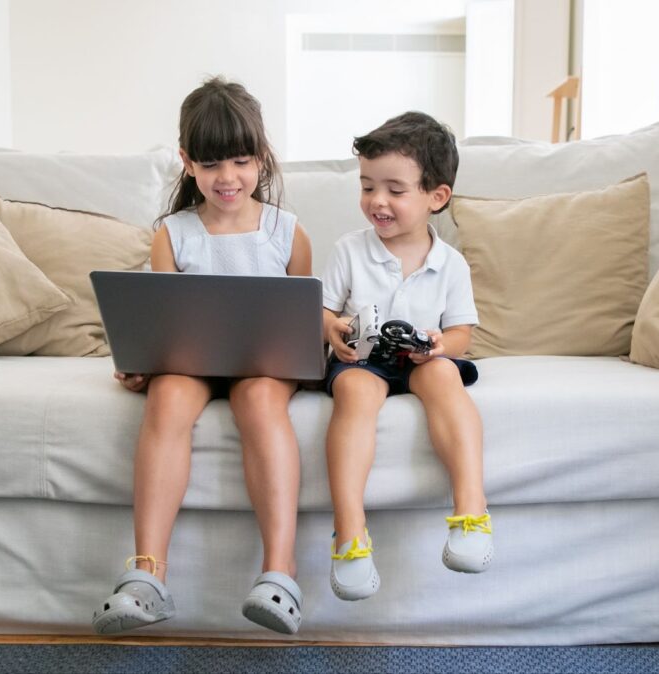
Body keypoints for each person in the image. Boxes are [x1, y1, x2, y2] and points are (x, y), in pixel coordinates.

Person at [92, 77, 312, 635]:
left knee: (260, 399)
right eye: (212, 164)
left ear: (261, 159)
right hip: (192, 364)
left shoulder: (287, 232)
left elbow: (299, 318)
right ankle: (147, 577)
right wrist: (141, 360)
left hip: (263, 366)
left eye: (240, 161)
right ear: (188, 163)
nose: (227, 177)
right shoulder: (173, 233)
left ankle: (279, 576)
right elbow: (161, 318)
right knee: (166, 396)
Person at [321, 111, 492, 601]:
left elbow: (462, 332)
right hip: (366, 356)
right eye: (367, 186)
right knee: (353, 388)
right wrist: (333, 329)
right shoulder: (349, 250)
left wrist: (442, 346)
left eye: (395, 190)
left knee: (444, 379)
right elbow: (327, 310)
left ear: (436, 197)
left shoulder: (450, 263)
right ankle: (350, 532)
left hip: (422, 358)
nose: (377, 201)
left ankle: (472, 510)